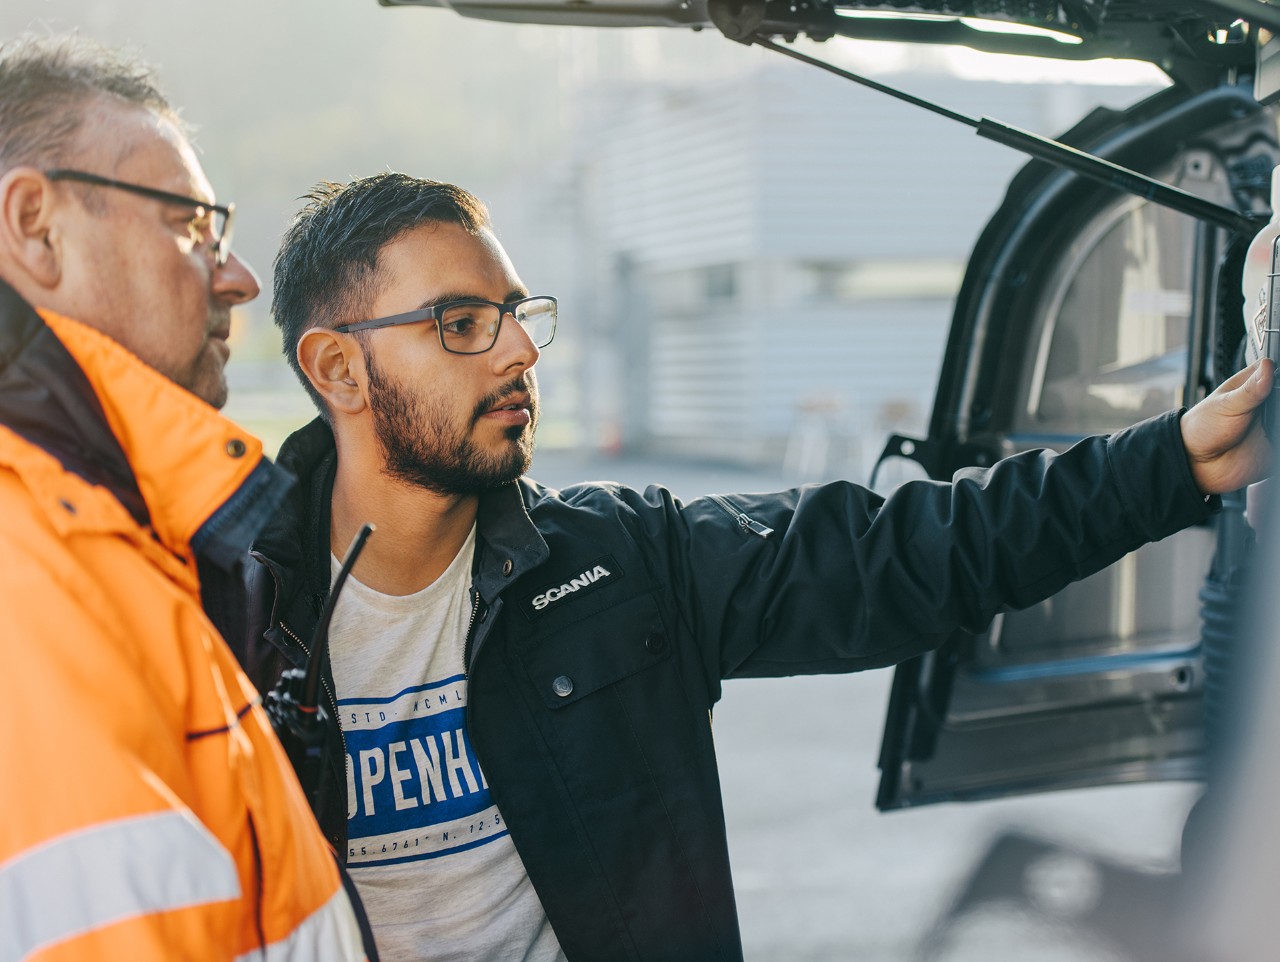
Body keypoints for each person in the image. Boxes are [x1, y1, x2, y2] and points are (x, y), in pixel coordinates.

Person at [223, 170, 1273, 962]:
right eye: (460, 323)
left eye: (516, 315)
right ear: (335, 366)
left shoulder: (620, 561)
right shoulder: (214, 604)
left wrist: (1170, 460)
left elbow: (909, 551)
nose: (518, 353)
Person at [0, 37, 370, 961]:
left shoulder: (110, 538)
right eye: (190, 227)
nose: (236, 278)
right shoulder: (28, 572)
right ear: (36, 226)